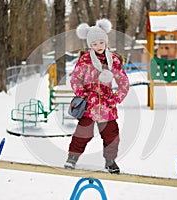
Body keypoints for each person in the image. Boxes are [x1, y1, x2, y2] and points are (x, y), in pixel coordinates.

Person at [64, 18, 129, 174]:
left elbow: (123, 82)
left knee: (112, 135)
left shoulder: (113, 60)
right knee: (82, 133)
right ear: (90, 46)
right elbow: (75, 79)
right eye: (94, 44)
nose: (98, 46)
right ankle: (72, 157)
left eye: (101, 43)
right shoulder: (85, 60)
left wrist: (116, 98)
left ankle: (110, 161)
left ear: (105, 42)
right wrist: (83, 94)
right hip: (89, 104)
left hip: (107, 105)